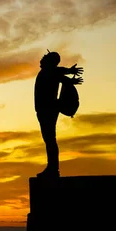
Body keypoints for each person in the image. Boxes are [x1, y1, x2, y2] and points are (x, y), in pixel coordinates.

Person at [34, 50, 83, 178]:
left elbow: (59, 73)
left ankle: (53, 169)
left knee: (50, 140)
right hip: (45, 110)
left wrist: (69, 75)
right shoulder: (50, 72)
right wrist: (70, 73)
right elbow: (61, 72)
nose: (42, 59)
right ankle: (52, 168)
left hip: (48, 110)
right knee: (49, 140)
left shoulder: (49, 72)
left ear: (49, 61)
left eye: (46, 57)